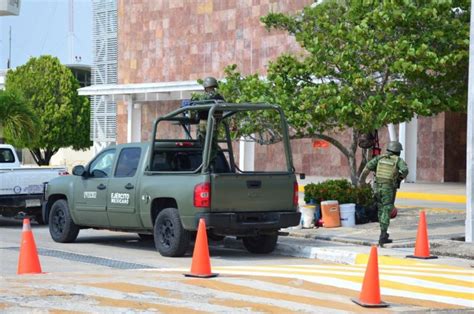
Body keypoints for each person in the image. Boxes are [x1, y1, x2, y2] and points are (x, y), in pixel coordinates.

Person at [361, 141, 409, 247]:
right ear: (397, 152)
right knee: (387, 210)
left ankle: (383, 233)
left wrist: (362, 181)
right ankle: (383, 236)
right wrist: (399, 178)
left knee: (381, 208)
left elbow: (367, 168)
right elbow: (405, 170)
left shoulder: (380, 158)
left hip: (377, 188)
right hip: (388, 189)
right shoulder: (398, 160)